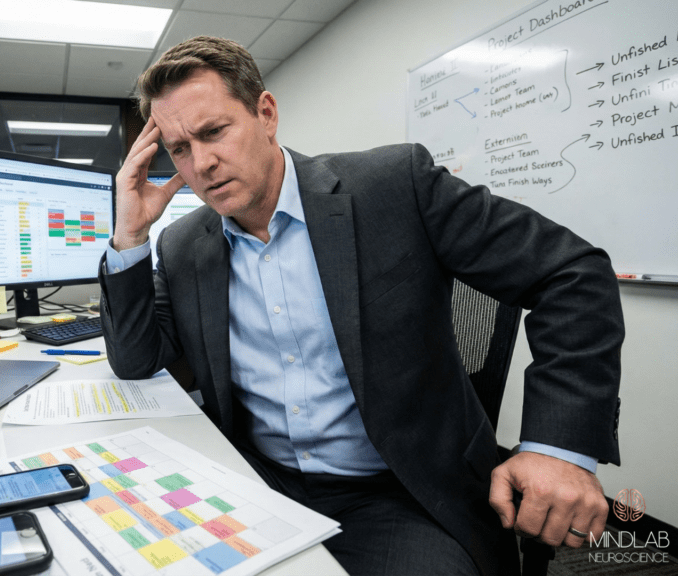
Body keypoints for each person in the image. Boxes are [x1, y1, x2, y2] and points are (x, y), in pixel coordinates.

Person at [98, 36, 623, 575]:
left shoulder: (395, 187)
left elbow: (570, 273)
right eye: (180, 149)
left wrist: (556, 448)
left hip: (399, 491)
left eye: (214, 132)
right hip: (257, 479)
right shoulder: (184, 243)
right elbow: (136, 359)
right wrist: (130, 234)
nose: (202, 163)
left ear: (266, 113)